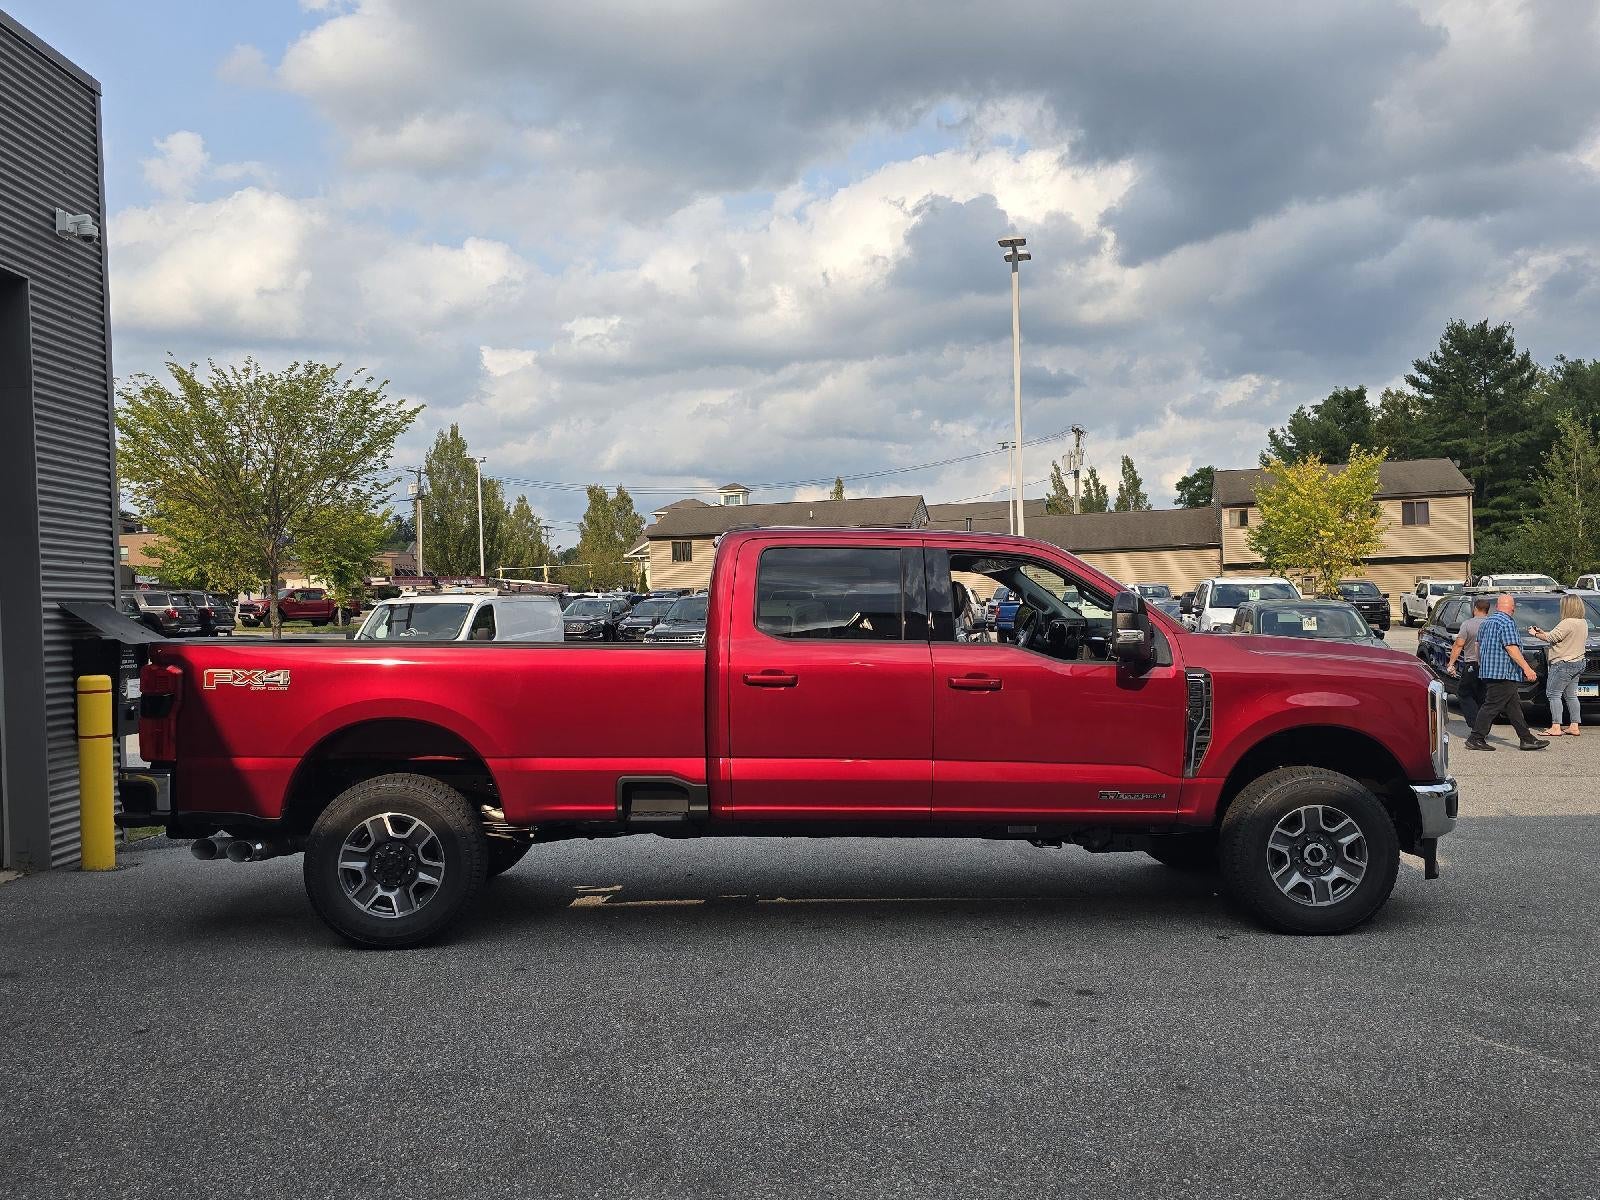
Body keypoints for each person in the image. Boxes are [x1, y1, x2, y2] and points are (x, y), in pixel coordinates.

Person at [1464, 593, 1546, 752]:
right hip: (1504, 673)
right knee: (1491, 706)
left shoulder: (1487, 622)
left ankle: (1526, 739)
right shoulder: (1507, 622)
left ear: (1498, 607)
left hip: (1490, 671)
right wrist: (1527, 668)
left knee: (1513, 707)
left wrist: (1482, 663)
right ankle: (1476, 738)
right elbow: (1511, 648)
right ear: (1513, 609)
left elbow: (1477, 646)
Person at [1529, 593, 1590, 736]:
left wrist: (1535, 634)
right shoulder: (1583, 622)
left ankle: (1556, 726)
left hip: (1563, 663)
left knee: (1553, 694)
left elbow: (1551, 638)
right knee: (1571, 695)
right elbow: (1560, 636)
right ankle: (1574, 726)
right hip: (1578, 662)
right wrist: (1544, 632)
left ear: (1567, 606)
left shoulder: (1567, 622)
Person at [1445, 595, 1492, 728]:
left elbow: (1459, 645)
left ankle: (1476, 724)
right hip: (1489, 666)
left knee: (1464, 693)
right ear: (1488, 610)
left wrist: (1451, 664)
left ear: (1475, 609)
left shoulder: (1468, 624)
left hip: (1472, 664)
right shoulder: (1492, 624)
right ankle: (1484, 725)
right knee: (1482, 696)